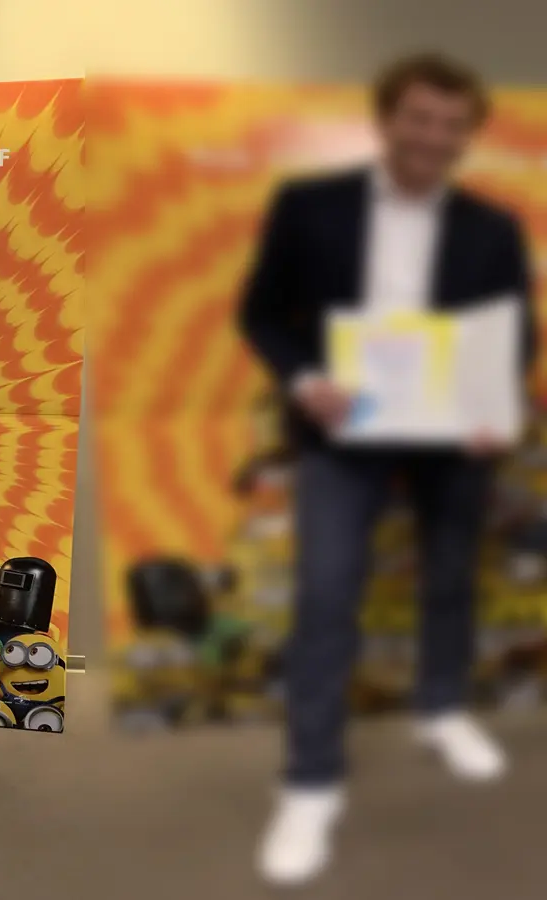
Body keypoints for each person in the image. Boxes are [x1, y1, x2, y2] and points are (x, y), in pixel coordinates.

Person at [237, 52, 537, 886]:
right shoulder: (311, 208)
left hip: (452, 440)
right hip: (344, 434)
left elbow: (516, 336)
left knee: (451, 580)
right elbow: (262, 313)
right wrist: (306, 381)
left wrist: (492, 404)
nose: (434, 138)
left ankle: (442, 708)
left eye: (452, 125)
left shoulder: (492, 226)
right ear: (387, 119)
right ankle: (310, 782)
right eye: (420, 119)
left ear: (466, 135)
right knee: (327, 595)